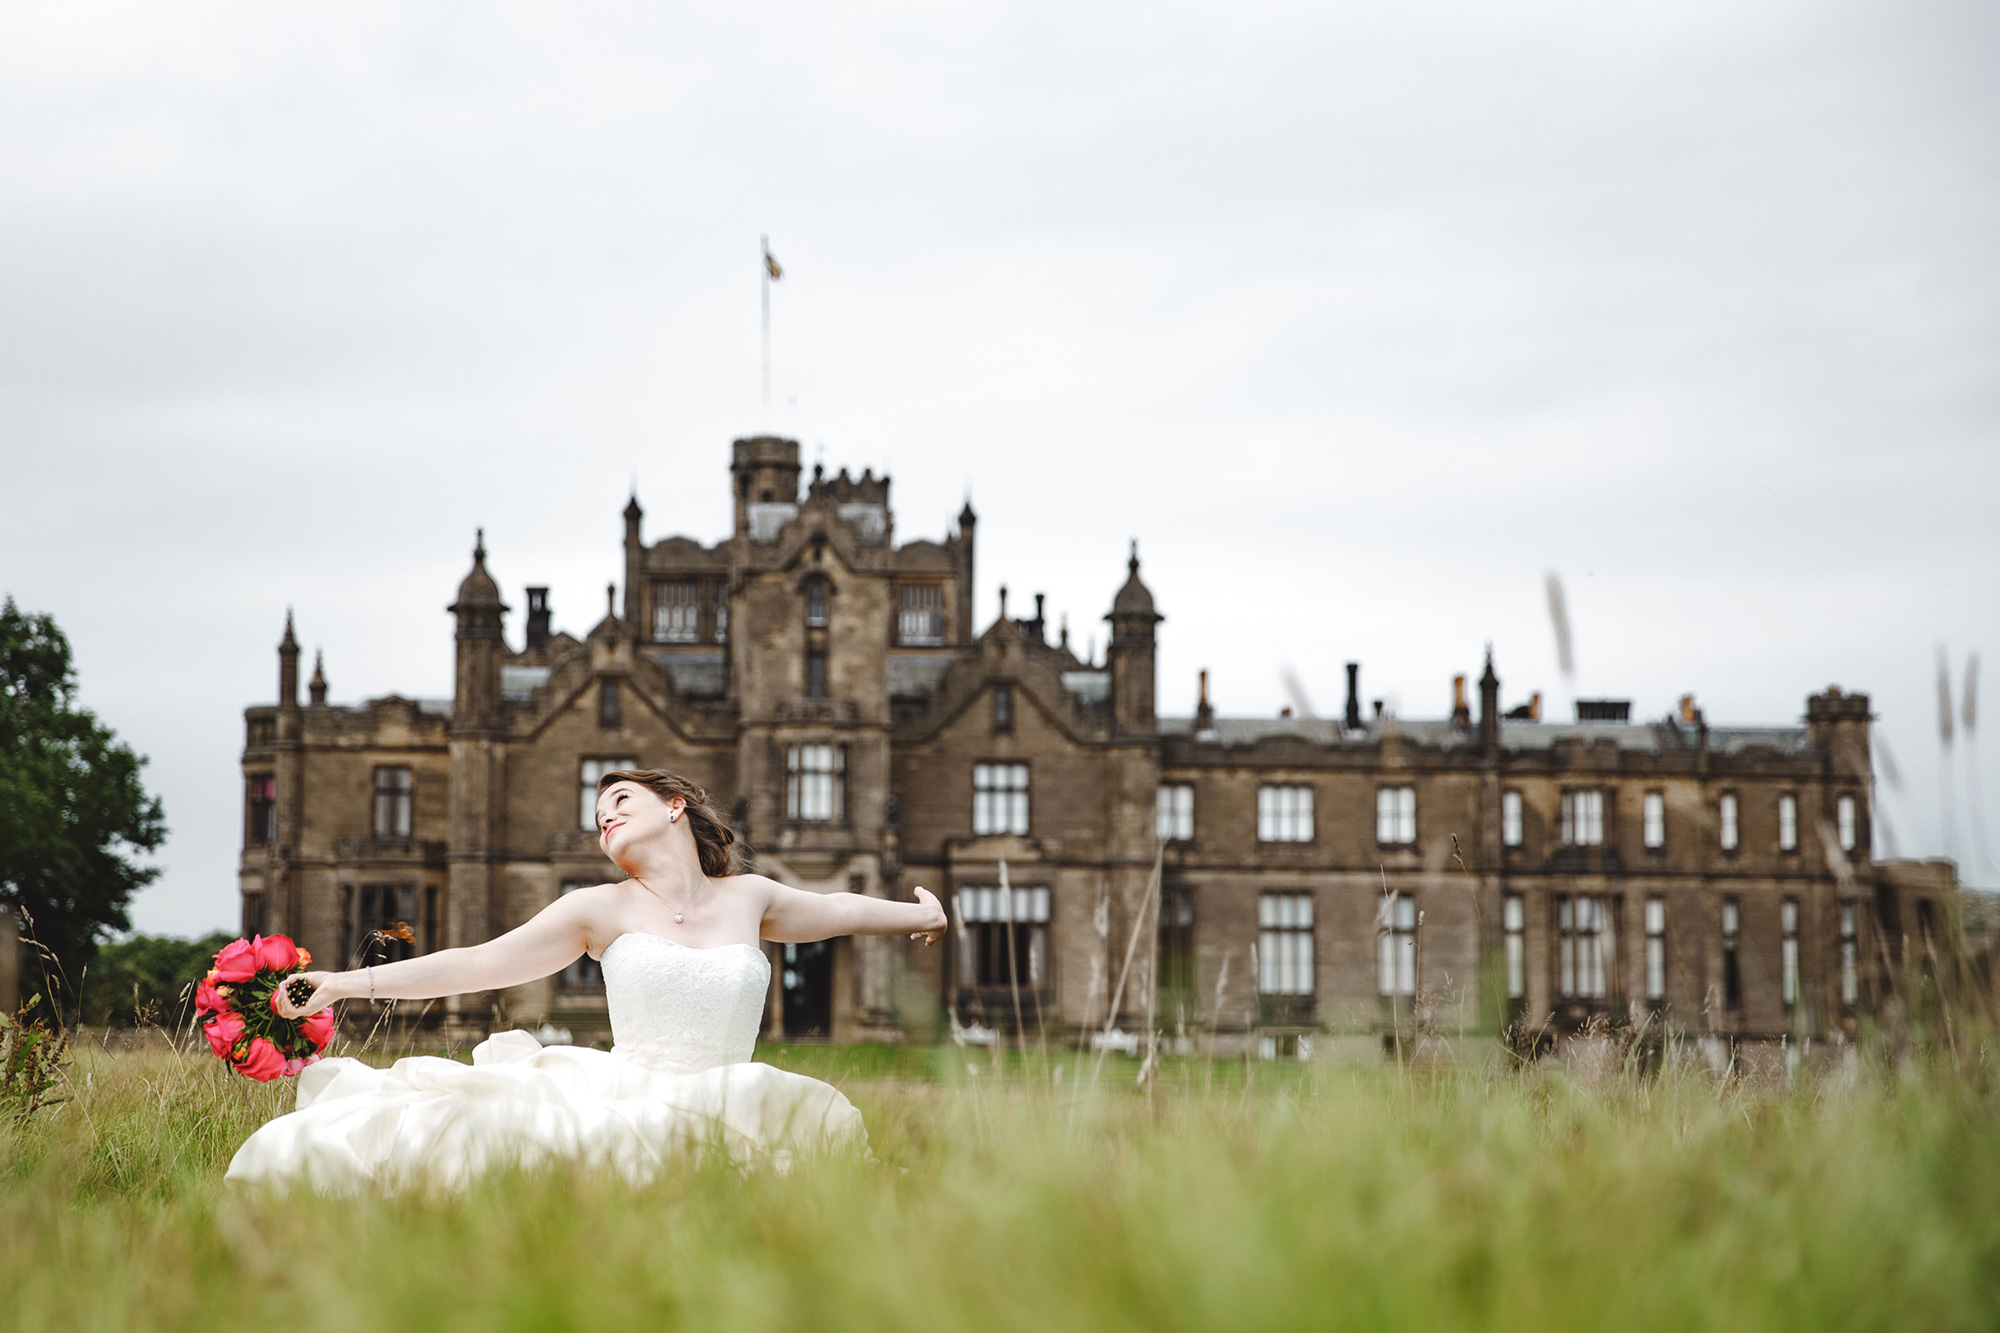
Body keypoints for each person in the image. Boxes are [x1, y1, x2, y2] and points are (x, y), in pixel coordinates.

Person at [225, 768, 947, 1192]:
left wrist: (923, 911)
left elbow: (837, 907)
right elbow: (477, 961)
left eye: (620, 804)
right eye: (598, 819)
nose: (605, 820)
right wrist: (345, 985)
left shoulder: (749, 896)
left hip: (733, 1088)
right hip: (624, 1089)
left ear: (676, 807)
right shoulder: (596, 908)